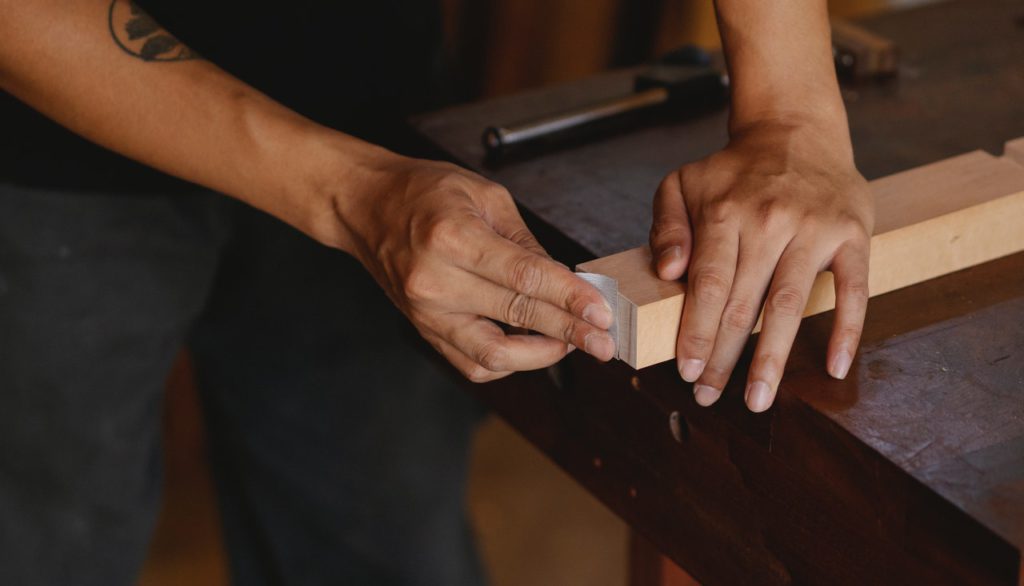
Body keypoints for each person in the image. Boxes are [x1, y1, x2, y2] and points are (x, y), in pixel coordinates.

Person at [0, 0, 873, 584]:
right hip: (50, 140)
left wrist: (790, 112)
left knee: (384, 542)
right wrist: (351, 193)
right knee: (43, 542)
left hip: (377, 99)